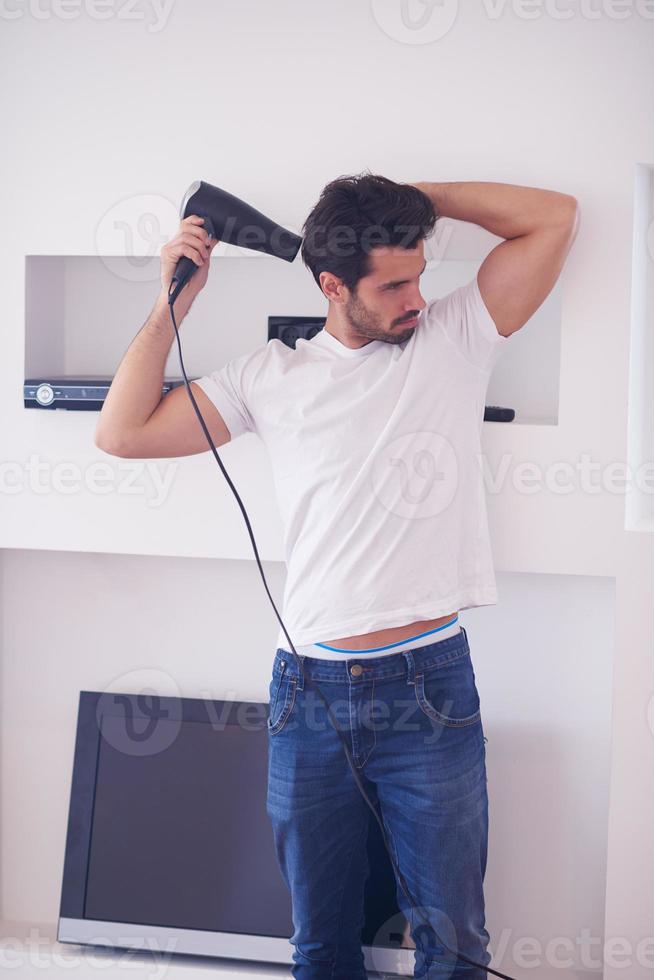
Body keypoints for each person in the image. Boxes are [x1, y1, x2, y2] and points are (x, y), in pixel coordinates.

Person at [95, 172, 579, 978]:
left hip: (429, 687)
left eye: (420, 276)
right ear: (332, 285)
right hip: (308, 697)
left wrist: (416, 194)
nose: (416, 298)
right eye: (393, 285)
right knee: (319, 947)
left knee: (454, 946)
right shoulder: (267, 377)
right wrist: (173, 302)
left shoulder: (453, 338)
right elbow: (121, 433)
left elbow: (554, 220)